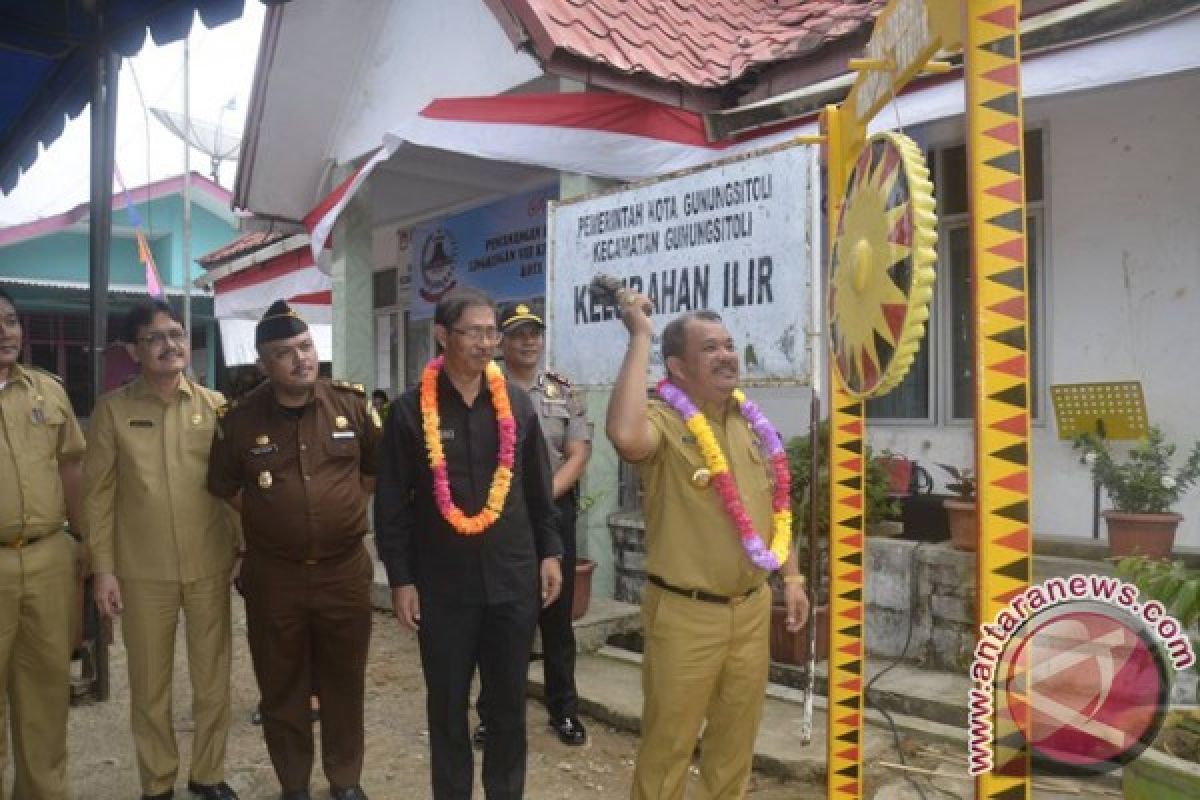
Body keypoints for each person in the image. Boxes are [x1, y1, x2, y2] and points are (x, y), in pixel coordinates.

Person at [605, 295, 809, 800]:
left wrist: (793, 577)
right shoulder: (665, 422)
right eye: (710, 348)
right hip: (685, 615)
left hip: (751, 609)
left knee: (735, 746)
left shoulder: (751, 424)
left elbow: (776, 509)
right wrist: (640, 337)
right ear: (677, 366)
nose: (727, 356)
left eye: (730, 345)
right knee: (668, 747)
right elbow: (626, 436)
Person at [374, 288, 563, 800]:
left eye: (491, 333)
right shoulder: (411, 413)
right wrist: (402, 580)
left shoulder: (517, 405)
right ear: (442, 335)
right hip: (443, 588)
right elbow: (391, 506)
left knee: (507, 708)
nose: (486, 343)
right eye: (474, 332)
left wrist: (550, 552)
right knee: (448, 708)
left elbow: (537, 488)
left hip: (511, 581)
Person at [207, 300, 379, 800]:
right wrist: (278, 520)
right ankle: (294, 786)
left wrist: (334, 516)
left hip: (343, 572)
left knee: (344, 682)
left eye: (305, 347)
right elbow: (225, 487)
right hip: (275, 577)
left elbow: (369, 474)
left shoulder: (350, 406)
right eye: (284, 353)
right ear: (264, 364)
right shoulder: (238, 421)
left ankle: (345, 781)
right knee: (282, 688)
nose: (300, 359)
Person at [83, 301, 241, 800]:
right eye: (156, 338)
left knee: (213, 681)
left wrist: (245, 548)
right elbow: (98, 497)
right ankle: (157, 782)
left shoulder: (216, 406)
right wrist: (103, 570)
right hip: (141, 571)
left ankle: (208, 774)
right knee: (149, 686)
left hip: (208, 564)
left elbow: (233, 487)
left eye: (176, 334)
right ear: (133, 350)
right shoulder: (113, 411)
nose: (171, 345)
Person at [473, 303, 591, 749]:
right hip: (499, 517)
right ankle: (494, 714)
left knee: (556, 619)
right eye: (518, 334)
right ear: (501, 342)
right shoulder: (484, 391)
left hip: (553, 512)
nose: (528, 342)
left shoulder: (563, 391)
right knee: (499, 618)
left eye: (534, 333)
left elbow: (577, 453)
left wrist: (542, 497)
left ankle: (564, 711)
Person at [0, 287, 85, 800]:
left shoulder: (48, 392)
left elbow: (72, 464)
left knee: (45, 692)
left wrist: (83, 540)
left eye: (10, 320)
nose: (4, 331)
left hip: (48, 555)